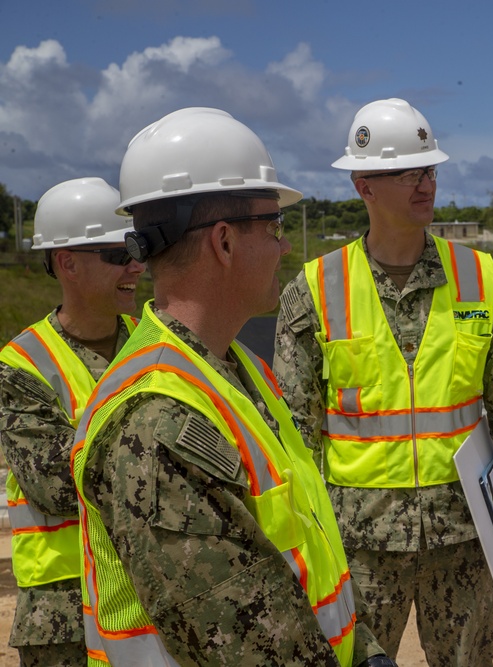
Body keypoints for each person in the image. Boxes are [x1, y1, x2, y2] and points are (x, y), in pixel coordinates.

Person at [71, 108, 392, 666]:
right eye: (272, 227)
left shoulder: (235, 369)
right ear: (223, 242)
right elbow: (252, 646)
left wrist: (365, 652)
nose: (283, 247)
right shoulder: (155, 422)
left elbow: (307, 556)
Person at [273, 98, 493, 665]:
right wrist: (303, 538)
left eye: (430, 169)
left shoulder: (487, 282)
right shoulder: (314, 291)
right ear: (363, 185)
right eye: (407, 173)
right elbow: (295, 436)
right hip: (359, 543)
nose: (425, 184)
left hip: (467, 535)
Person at [0, 178, 144, 666]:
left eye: (137, 248)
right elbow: (56, 484)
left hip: (147, 591)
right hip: (63, 613)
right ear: (68, 262)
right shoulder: (23, 363)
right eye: (117, 254)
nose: (136, 265)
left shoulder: (158, 342)